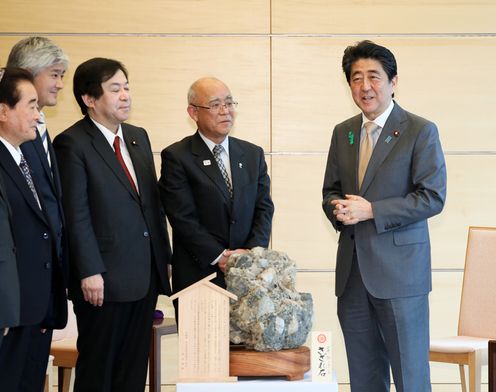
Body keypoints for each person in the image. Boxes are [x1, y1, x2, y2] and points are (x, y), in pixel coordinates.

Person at [322, 40, 447, 392]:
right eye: (356, 78)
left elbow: (432, 197)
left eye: (374, 77)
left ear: (393, 82)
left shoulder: (420, 130)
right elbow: (330, 190)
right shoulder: (343, 132)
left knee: (411, 378)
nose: (365, 86)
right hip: (352, 276)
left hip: (401, 276)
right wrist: (338, 209)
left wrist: (372, 210)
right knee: (364, 379)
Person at [53, 57, 172, 392]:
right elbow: (75, 214)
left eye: (127, 87)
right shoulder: (72, 143)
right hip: (102, 280)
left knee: (132, 371)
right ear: (89, 99)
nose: (125, 96)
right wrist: (89, 270)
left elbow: (151, 204)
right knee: (99, 371)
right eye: (115, 89)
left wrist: (164, 260)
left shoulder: (138, 136)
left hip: (144, 275)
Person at [159, 77, 274, 307]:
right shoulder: (177, 157)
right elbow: (182, 218)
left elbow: (264, 208)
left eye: (229, 103)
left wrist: (249, 255)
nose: (225, 111)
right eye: (215, 105)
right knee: (203, 344)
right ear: (193, 112)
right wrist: (220, 256)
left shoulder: (252, 154)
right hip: (199, 276)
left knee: (247, 344)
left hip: (250, 279)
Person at [0, 67, 67, 392]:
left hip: (37, 310)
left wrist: (48, 302)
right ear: (3, 111)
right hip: (10, 313)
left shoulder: (27, 156)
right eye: (30, 105)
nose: (38, 115)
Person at [7, 35, 69, 305]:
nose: (60, 84)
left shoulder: (40, 124)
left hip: (46, 275)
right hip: (20, 278)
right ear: (28, 74)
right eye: (55, 74)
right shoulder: (10, 135)